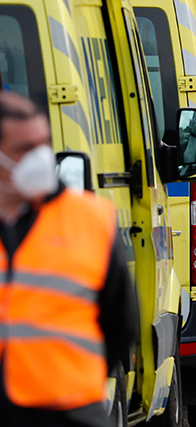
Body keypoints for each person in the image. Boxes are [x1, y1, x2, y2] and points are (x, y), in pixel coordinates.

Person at [0, 92, 138, 426]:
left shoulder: (90, 218)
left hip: (70, 410)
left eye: (44, 145)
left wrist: (74, 378)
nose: (41, 159)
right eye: (25, 149)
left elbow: (122, 322)